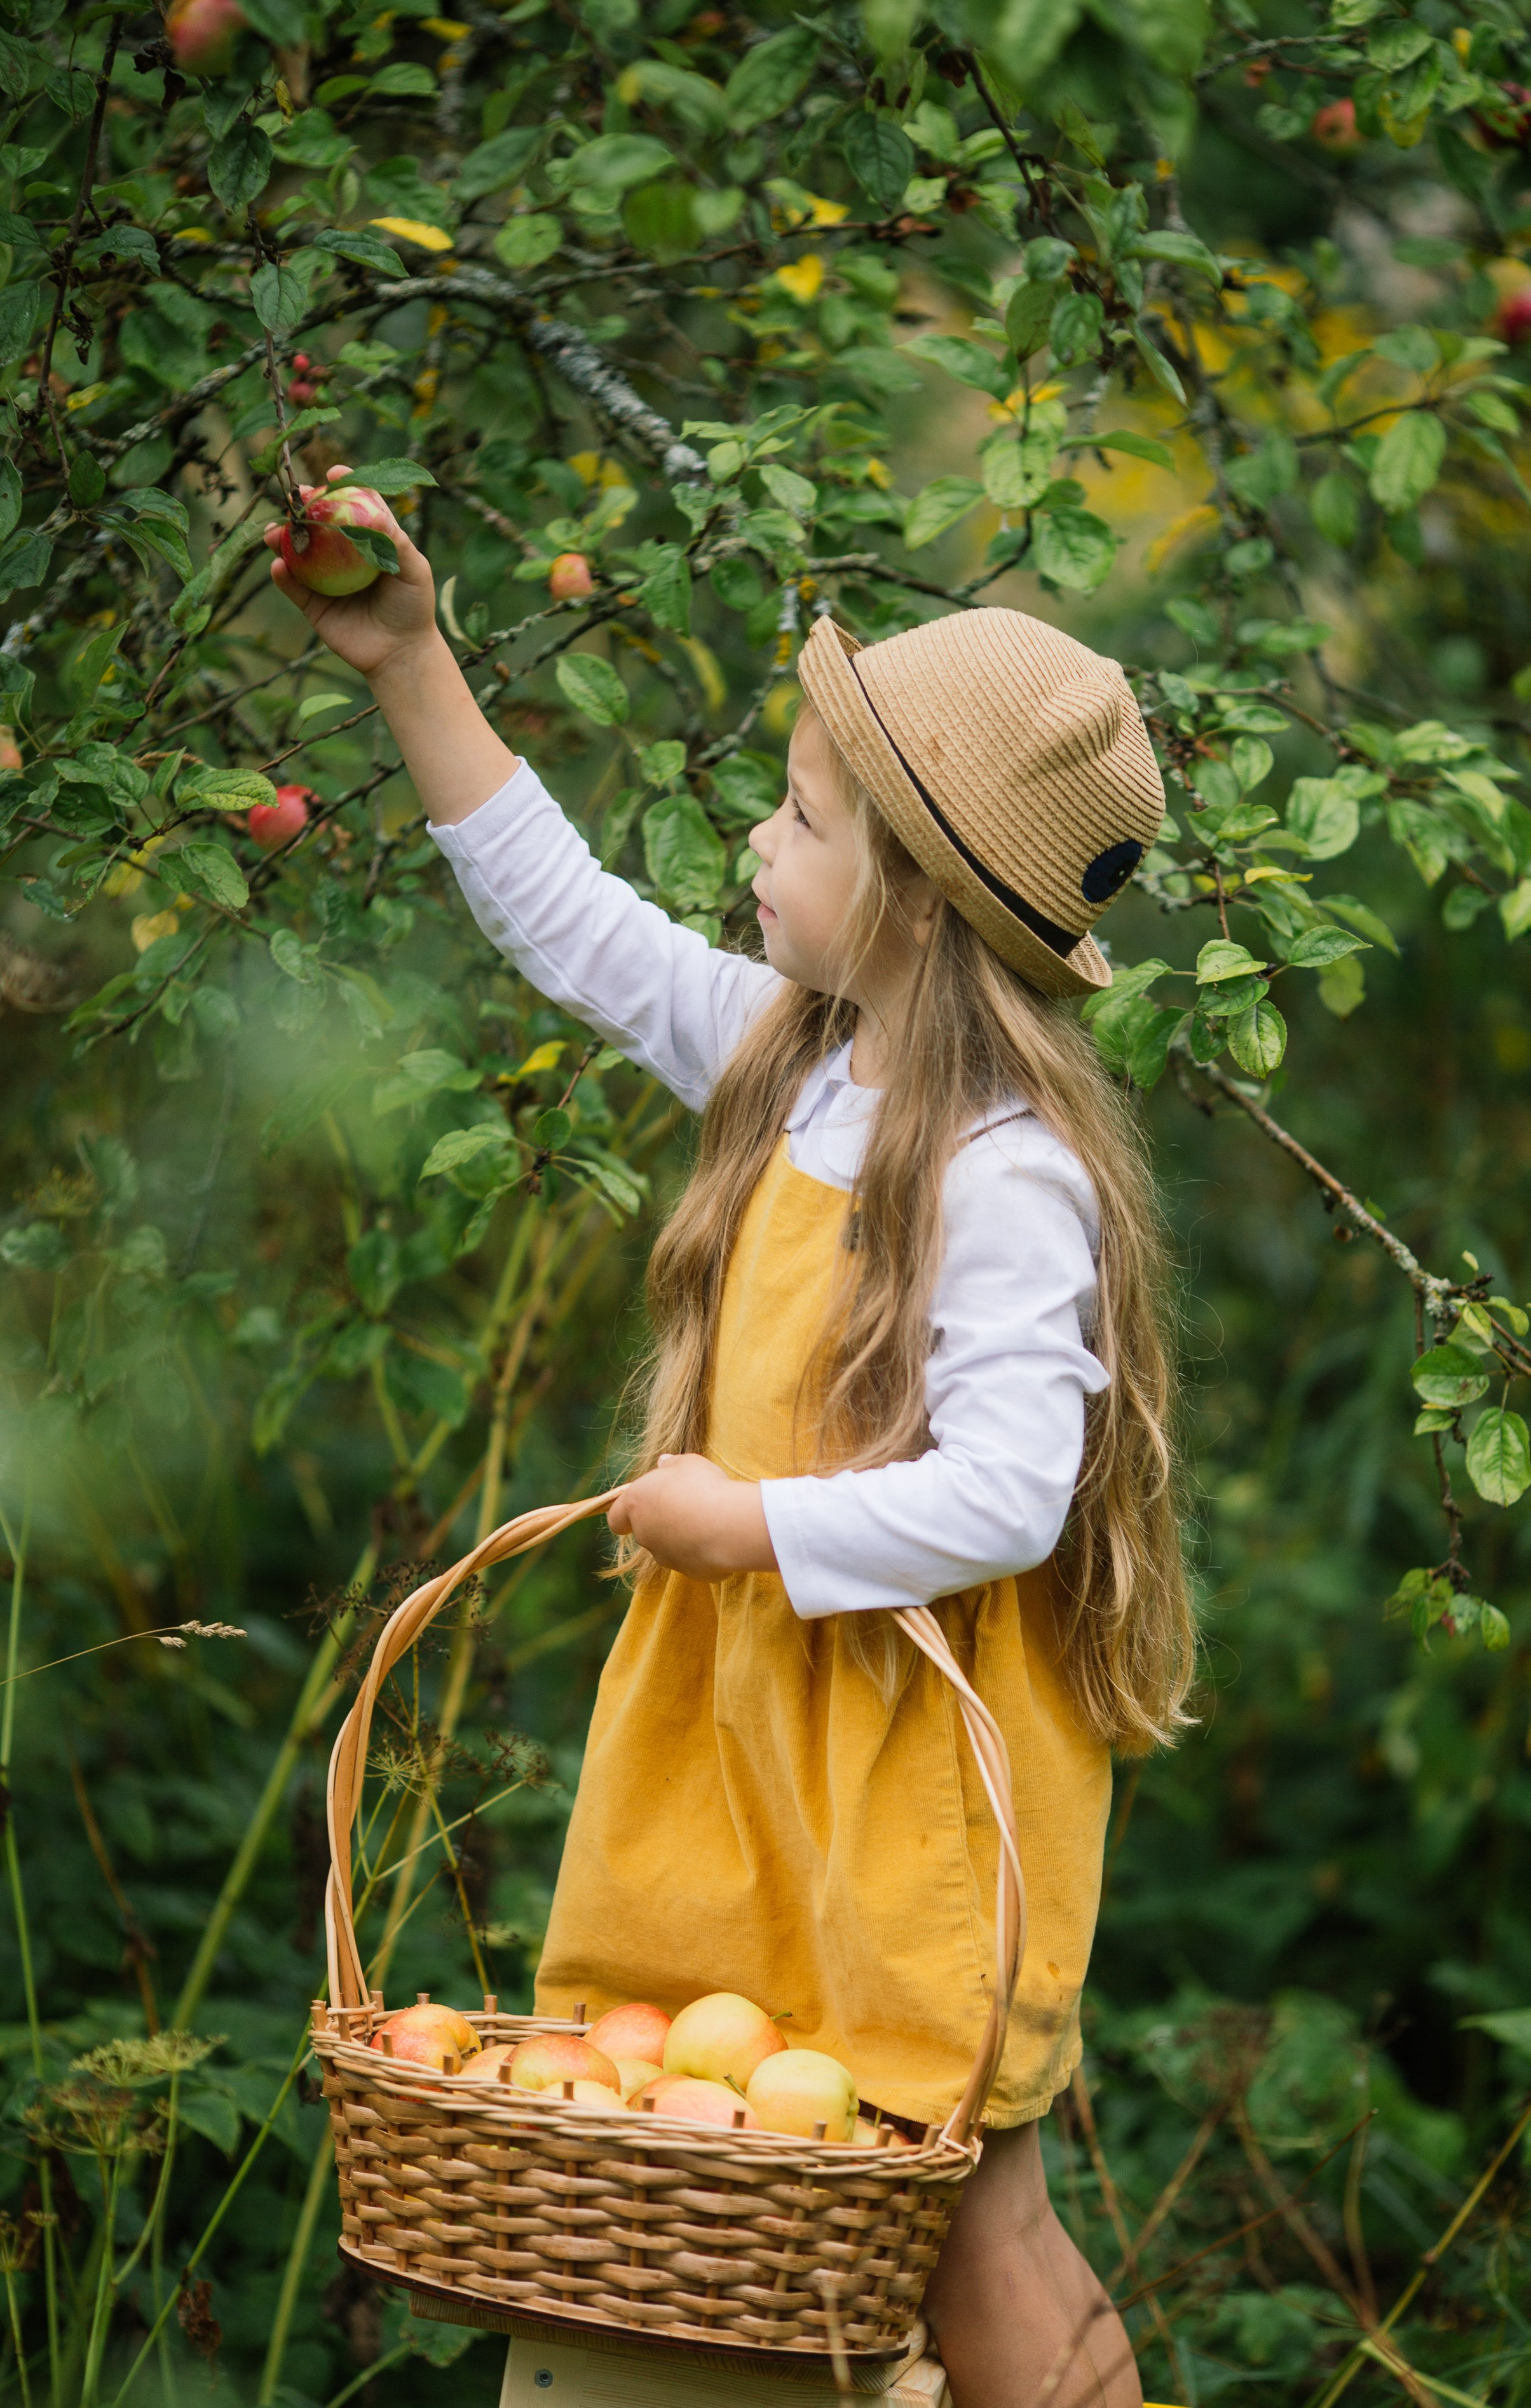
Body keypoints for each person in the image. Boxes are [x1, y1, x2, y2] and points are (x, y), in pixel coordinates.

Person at [269, 471, 1194, 2408]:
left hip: (910, 1761)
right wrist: (412, 664)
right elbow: (575, 930)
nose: (759, 843)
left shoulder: (1007, 1172)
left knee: (967, 2205)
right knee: (710, 2144)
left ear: (920, 899)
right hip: (740, 1730)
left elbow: (1017, 1492)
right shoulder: (791, 1060)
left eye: (801, 817)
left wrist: (752, 1522)